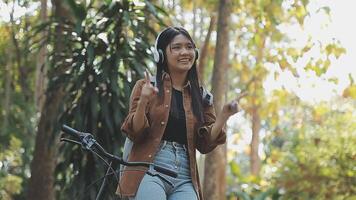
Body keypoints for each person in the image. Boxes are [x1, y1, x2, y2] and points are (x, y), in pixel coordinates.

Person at [116, 26, 245, 200]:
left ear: (195, 53)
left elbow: (205, 145)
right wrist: (143, 102)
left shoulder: (203, 97)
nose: (185, 52)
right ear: (161, 55)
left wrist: (223, 116)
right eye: (176, 47)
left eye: (189, 47)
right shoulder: (145, 86)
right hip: (150, 167)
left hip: (185, 174)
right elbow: (135, 133)